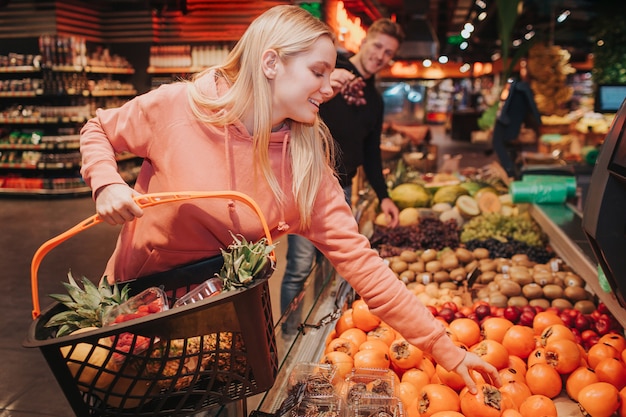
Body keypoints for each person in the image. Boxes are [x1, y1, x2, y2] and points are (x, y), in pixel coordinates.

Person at [79, 5, 499, 394]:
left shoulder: (306, 167)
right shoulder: (180, 107)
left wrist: (446, 349)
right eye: (318, 72)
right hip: (132, 309)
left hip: (219, 327)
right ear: (271, 63)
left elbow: (366, 268)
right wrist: (107, 183)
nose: (327, 86)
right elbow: (98, 129)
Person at [280, 18, 402, 316]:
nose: (380, 56)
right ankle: (288, 334)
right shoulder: (329, 70)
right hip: (308, 185)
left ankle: (319, 330)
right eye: (378, 46)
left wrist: (384, 195)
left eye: (388, 53)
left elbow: (371, 152)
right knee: (300, 266)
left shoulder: (374, 99)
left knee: (332, 269)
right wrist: (328, 85)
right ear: (365, 41)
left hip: (343, 188)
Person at [491, 66, 541, 178]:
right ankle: (511, 168)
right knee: (502, 144)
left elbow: (510, 104)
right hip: (509, 121)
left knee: (500, 144)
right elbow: (531, 105)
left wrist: (538, 120)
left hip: (508, 122)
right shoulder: (521, 87)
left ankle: (510, 169)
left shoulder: (519, 87)